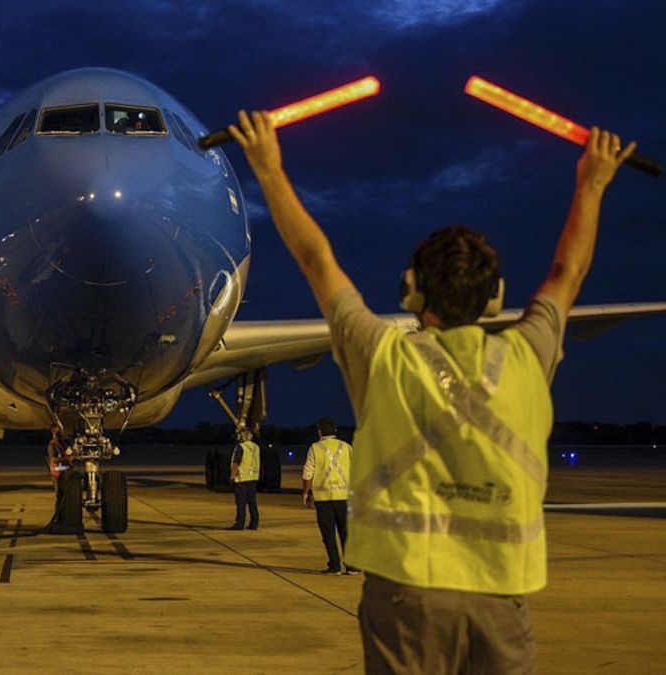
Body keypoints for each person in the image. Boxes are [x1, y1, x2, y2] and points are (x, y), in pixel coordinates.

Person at [230, 109, 635, 672]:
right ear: (496, 298)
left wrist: (268, 170)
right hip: (500, 598)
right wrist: (593, 183)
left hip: (407, 598)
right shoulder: (526, 355)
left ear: (410, 291)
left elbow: (317, 260)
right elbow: (568, 272)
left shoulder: (384, 355)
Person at [301, 418, 356, 575]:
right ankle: (352, 566)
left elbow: (307, 473)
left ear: (320, 431)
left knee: (328, 534)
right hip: (344, 496)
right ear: (335, 430)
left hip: (323, 498)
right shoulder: (346, 447)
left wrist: (306, 492)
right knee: (346, 532)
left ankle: (335, 565)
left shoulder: (315, 448)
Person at [227, 427, 260, 530]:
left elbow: (236, 463)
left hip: (242, 479)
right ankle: (254, 523)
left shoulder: (240, 447)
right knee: (252, 502)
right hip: (253, 478)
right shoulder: (256, 447)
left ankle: (239, 524)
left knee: (241, 503)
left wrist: (232, 476)